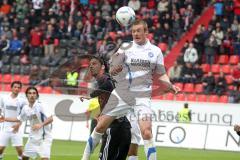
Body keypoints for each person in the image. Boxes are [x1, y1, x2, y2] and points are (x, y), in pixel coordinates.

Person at [99, 20, 179, 160]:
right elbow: (112, 68)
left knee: (140, 137)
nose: (135, 33)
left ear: (146, 32)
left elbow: (161, 74)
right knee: (111, 134)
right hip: (123, 96)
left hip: (141, 99)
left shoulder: (155, 51)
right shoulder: (125, 48)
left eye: (138, 31)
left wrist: (170, 86)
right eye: (133, 31)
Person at [81, 56, 131, 160]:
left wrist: (91, 95)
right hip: (123, 124)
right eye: (90, 64)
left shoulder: (104, 78)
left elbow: (109, 85)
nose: (91, 66)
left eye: (94, 63)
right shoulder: (103, 81)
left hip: (114, 125)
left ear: (103, 66)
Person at [0, 86, 53, 160]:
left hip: (44, 138)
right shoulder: (26, 108)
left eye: (34, 93)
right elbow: (18, 119)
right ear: (27, 95)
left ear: (37, 95)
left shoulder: (41, 105)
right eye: (30, 93)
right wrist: (4, 119)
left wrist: (41, 125)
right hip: (33, 138)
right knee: (24, 157)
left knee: (44, 159)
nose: (32, 95)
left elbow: (51, 118)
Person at [0, 81, 27, 160]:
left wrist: (18, 125)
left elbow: (23, 115)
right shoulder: (4, 98)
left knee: (19, 150)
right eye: (15, 87)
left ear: (20, 89)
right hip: (4, 127)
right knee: (0, 149)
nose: (16, 89)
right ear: (11, 88)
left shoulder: (22, 101)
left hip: (16, 128)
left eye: (18, 87)